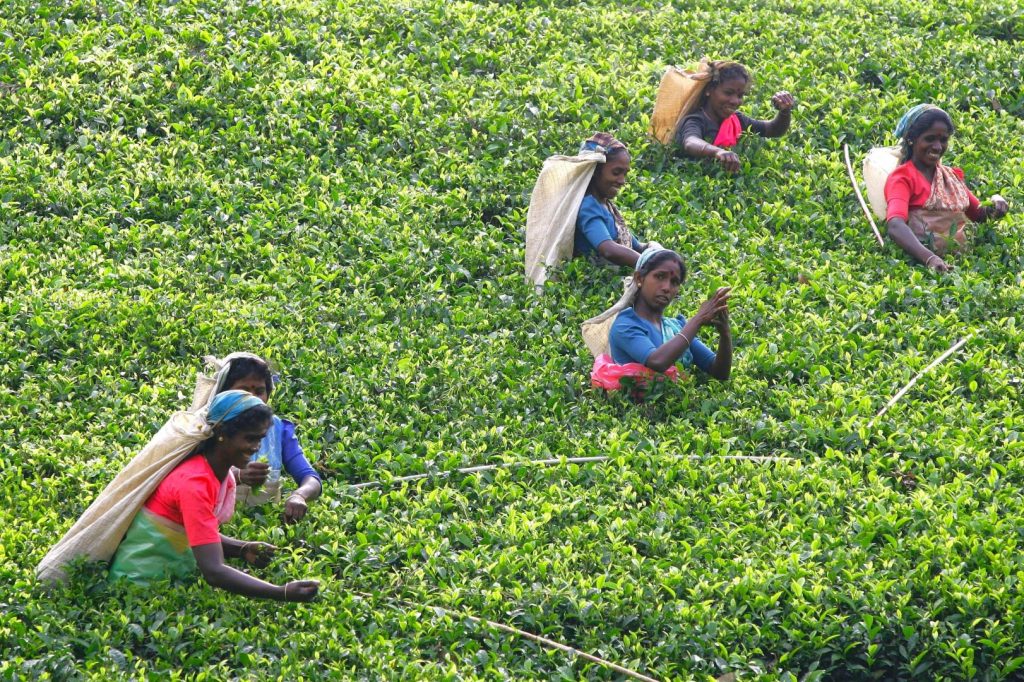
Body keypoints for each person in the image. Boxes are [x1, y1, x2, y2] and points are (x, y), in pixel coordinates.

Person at [108, 390, 320, 601]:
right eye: (249, 439)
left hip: (171, 580)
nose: (255, 447)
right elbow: (214, 571)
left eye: (260, 439)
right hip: (138, 588)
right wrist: (281, 592)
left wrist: (241, 549)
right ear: (221, 433)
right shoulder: (194, 482)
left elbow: (194, 531)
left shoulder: (218, 472)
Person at [884, 104, 1010, 272]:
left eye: (943, 140)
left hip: (963, 267)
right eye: (929, 139)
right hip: (921, 269)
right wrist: (930, 258)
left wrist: (997, 202)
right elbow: (895, 225)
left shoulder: (950, 177)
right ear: (911, 139)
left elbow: (979, 214)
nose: (937, 147)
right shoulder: (903, 178)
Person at [216, 355, 322, 523]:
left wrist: (299, 496)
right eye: (243, 391)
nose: (253, 399)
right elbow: (193, 478)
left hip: (266, 526)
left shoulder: (278, 429)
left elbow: (310, 478)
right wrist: (238, 476)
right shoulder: (210, 426)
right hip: (218, 527)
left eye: (259, 391)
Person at [604, 248, 732, 383]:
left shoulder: (676, 327)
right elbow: (657, 361)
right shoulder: (625, 325)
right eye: (660, 276)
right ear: (639, 278)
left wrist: (724, 331)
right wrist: (698, 319)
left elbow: (719, 372)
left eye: (674, 282)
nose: (666, 287)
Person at [675, 61, 794, 174]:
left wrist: (785, 111)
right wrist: (718, 152)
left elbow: (774, 129)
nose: (735, 101)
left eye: (740, 95)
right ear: (709, 90)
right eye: (728, 93)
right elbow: (690, 142)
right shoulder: (696, 120)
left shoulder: (736, 119)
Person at [573, 133, 653, 269]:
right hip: (598, 284)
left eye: (625, 174)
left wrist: (654, 247)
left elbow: (637, 246)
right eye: (616, 172)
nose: (622, 181)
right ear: (594, 171)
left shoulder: (608, 207)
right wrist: (650, 265)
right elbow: (608, 249)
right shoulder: (588, 206)